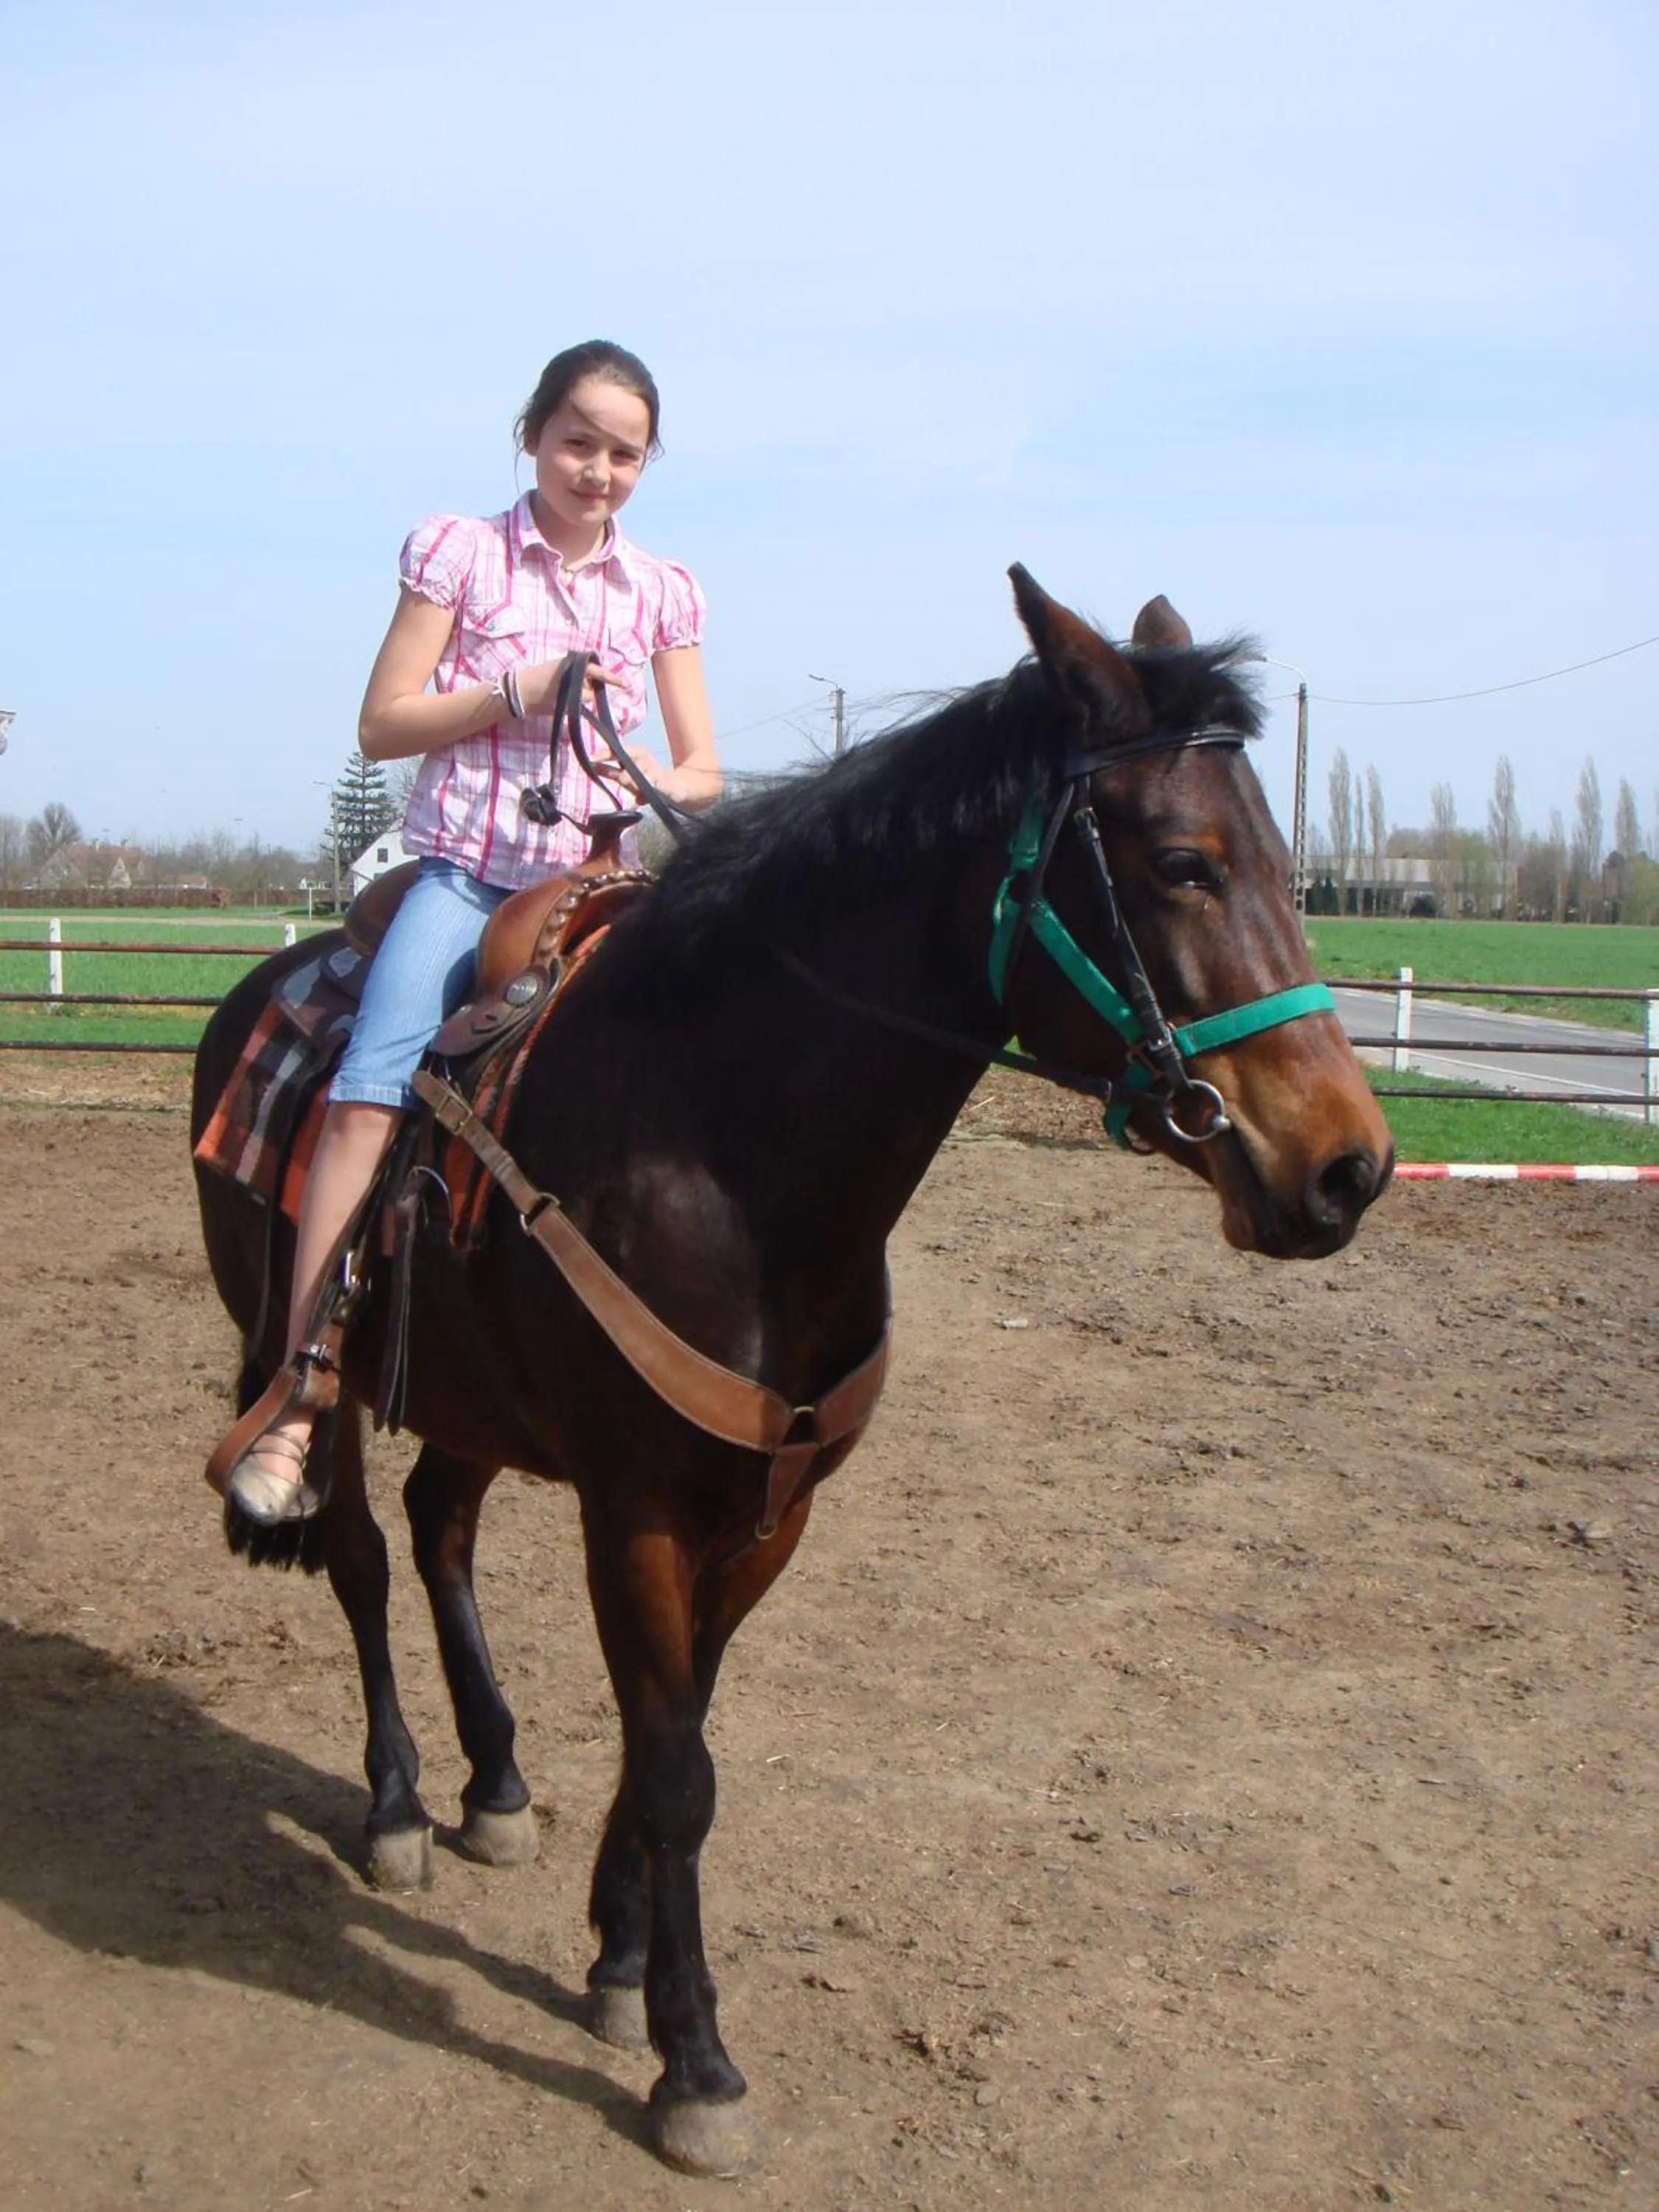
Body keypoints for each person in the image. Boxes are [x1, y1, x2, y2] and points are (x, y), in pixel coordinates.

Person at [220, 340, 720, 1525]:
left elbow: (701, 769)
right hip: (466, 874)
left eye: (625, 453)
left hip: (601, 880)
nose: (598, 470)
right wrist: (516, 692)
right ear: (532, 435)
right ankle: (299, 1394)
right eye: (579, 442)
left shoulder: (662, 589)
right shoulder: (462, 552)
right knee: (367, 1087)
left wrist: (648, 768)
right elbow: (385, 721)